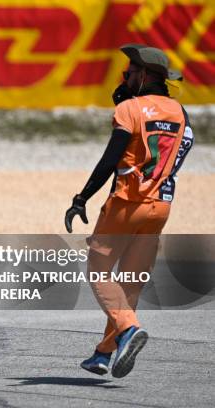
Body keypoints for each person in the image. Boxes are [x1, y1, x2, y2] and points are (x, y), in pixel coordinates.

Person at [64, 44, 194, 378]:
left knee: (98, 268)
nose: (125, 77)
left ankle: (129, 329)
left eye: (130, 73)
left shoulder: (130, 110)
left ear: (145, 75)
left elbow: (111, 159)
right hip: (161, 205)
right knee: (130, 283)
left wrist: (82, 198)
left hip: (126, 203)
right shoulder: (180, 113)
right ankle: (104, 353)